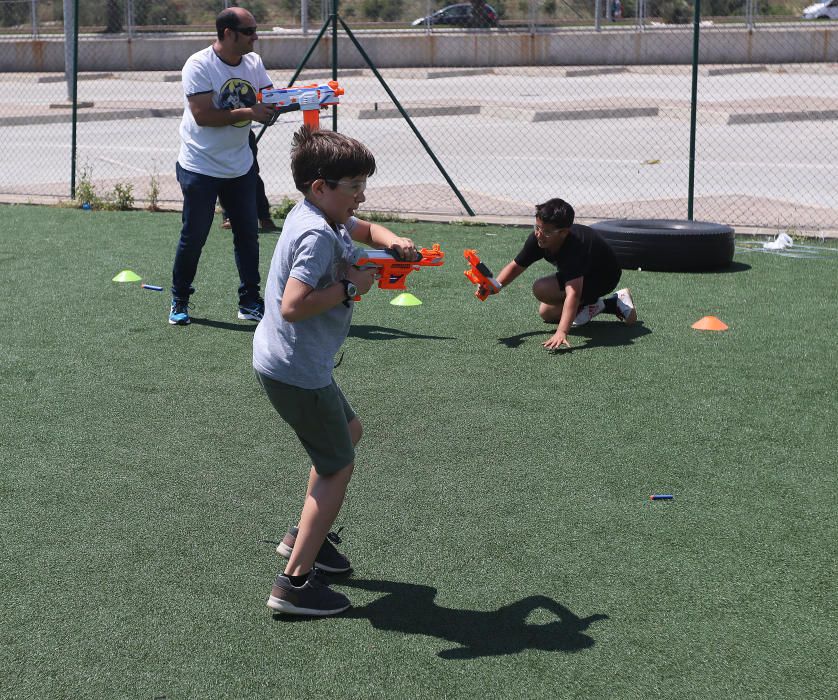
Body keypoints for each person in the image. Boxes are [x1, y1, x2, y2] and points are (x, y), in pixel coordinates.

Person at [253, 126, 420, 616]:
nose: (361, 196)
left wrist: (396, 241)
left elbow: (364, 229)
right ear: (320, 186)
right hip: (296, 370)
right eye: (353, 187)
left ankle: (303, 537)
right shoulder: (316, 235)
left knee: (349, 430)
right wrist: (351, 286)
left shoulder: (317, 215)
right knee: (338, 465)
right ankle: (294, 585)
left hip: (290, 364)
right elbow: (293, 305)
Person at [169, 6, 276, 326]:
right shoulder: (199, 65)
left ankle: (249, 302)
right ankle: (180, 298)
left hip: (239, 166)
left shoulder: (254, 62)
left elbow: (269, 97)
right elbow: (203, 116)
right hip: (199, 166)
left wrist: (304, 98)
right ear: (228, 34)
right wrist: (250, 113)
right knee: (194, 235)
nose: (256, 37)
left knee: (248, 236)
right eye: (249, 31)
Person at [485, 198, 637, 350]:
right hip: (585, 274)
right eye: (537, 227)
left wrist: (562, 332)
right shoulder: (539, 238)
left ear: (564, 232)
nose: (539, 234)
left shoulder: (574, 248)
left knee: (541, 288)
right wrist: (495, 285)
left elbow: (573, 294)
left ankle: (594, 301)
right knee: (547, 313)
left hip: (603, 277)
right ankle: (611, 303)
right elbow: (516, 266)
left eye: (546, 231)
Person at [219, 130, 278, 233]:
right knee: (224, 176)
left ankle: (264, 217)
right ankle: (228, 217)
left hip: (244, 133)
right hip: (221, 135)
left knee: (253, 177)